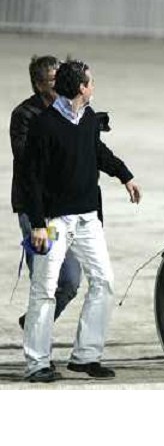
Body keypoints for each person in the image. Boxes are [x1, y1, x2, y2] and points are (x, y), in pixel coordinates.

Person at [22, 59, 142, 383]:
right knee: (44, 289)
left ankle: (86, 356)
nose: (93, 86)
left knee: (103, 281)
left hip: (88, 219)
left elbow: (98, 152)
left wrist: (125, 175)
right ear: (80, 87)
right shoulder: (44, 125)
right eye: (90, 82)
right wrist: (36, 224)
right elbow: (30, 179)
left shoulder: (87, 117)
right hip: (53, 222)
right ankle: (37, 363)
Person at [11, 56, 82, 328]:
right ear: (40, 85)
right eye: (54, 80)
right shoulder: (25, 115)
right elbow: (28, 161)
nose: (63, 84)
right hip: (36, 211)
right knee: (45, 281)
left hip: (66, 209)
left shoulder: (71, 110)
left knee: (71, 281)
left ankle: (33, 324)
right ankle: (37, 347)